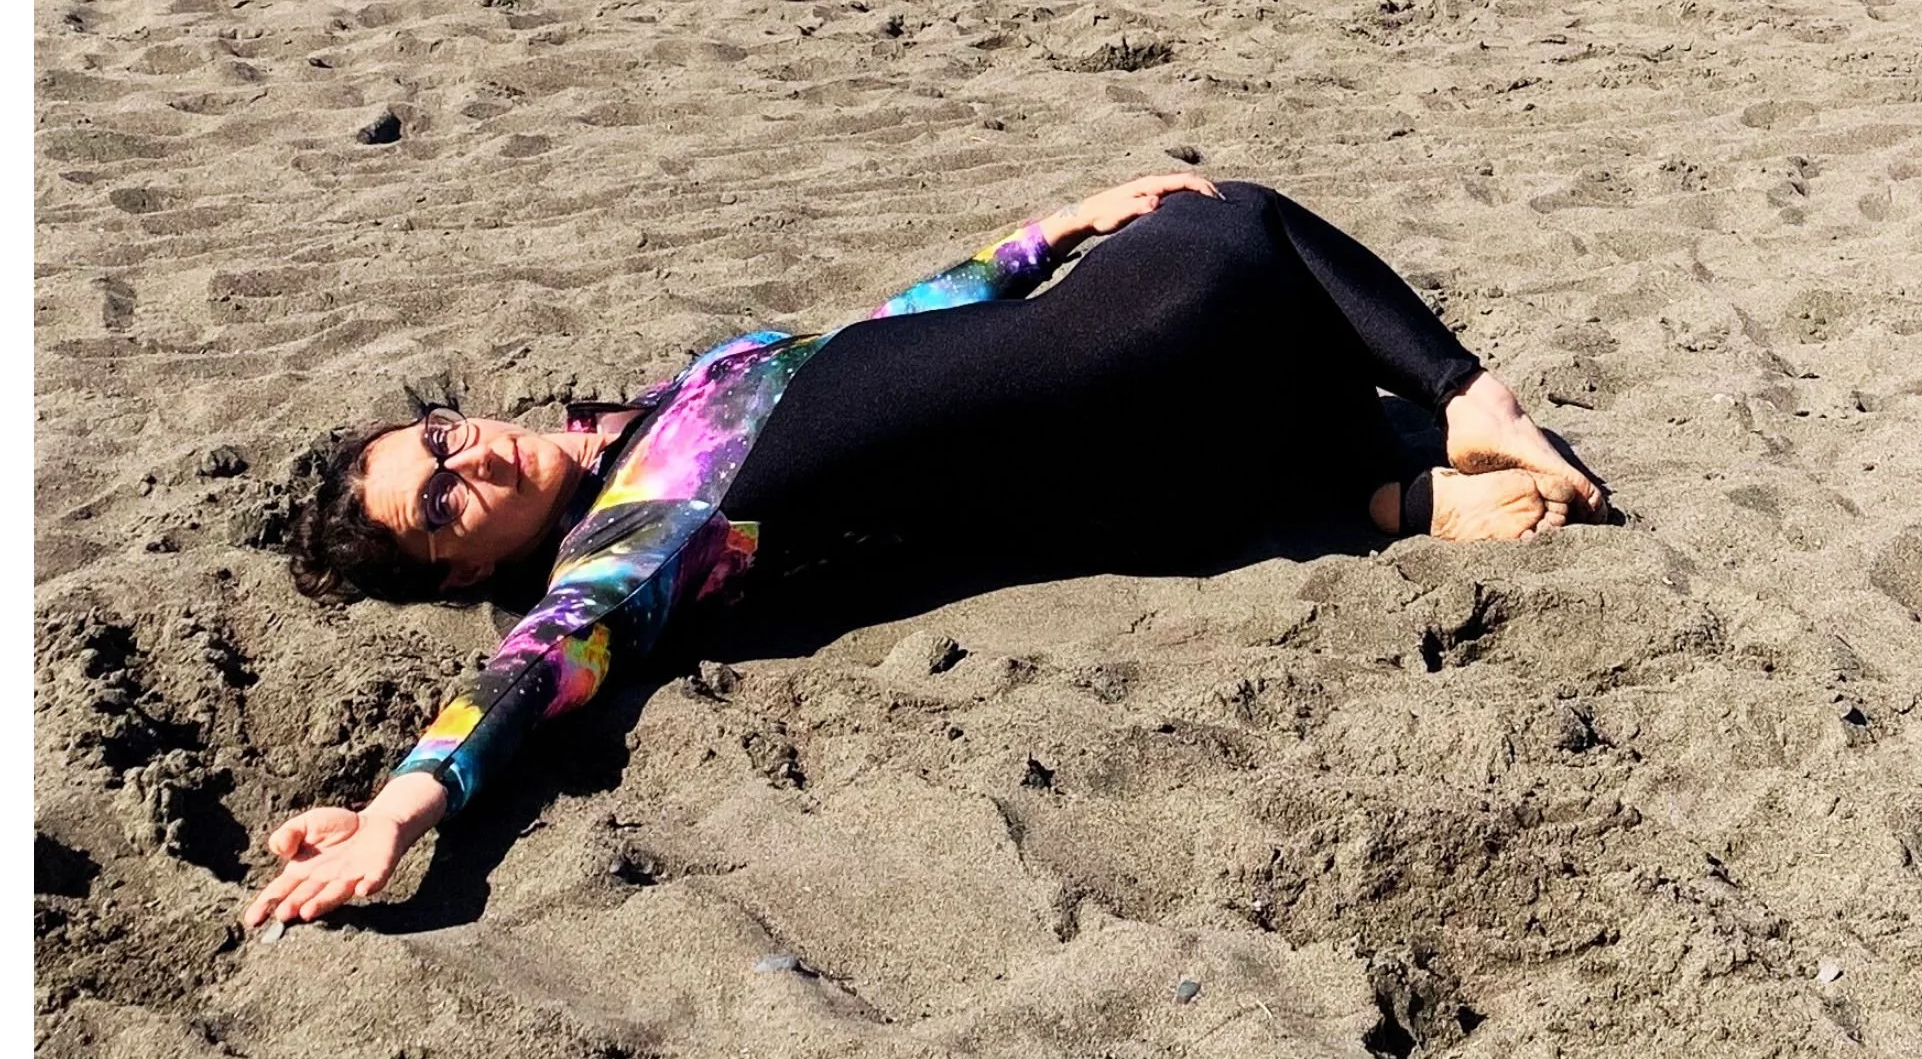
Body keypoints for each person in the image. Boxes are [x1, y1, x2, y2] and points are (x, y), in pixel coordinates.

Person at [242, 172, 1606, 934]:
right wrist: (395, 813)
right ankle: (1439, 438)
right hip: (1148, 417)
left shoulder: (646, 420)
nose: (468, 458)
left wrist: (1045, 232)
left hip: (1136, 417)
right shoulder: (625, 546)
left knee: (1193, 219)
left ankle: (1407, 470)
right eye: (442, 507)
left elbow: (872, 343)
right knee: (1238, 228)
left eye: (437, 436)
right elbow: (530, 680)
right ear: (470, 573)